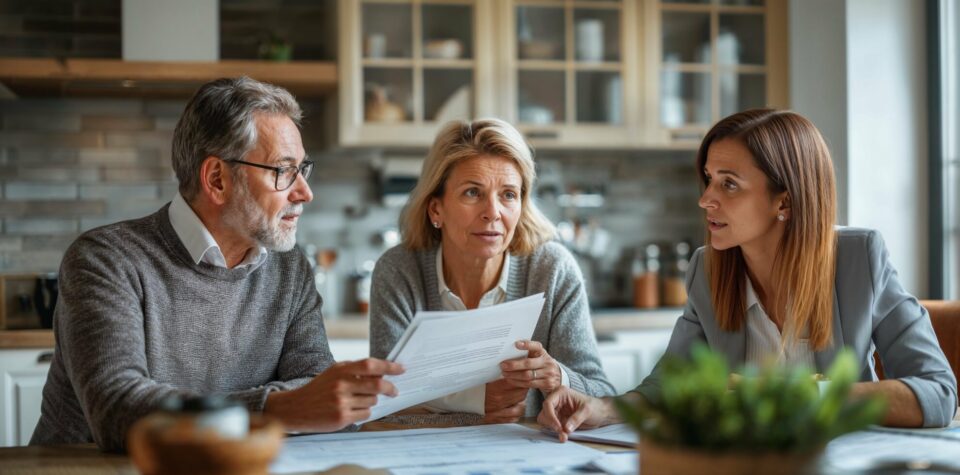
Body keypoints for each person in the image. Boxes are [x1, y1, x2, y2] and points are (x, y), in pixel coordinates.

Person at [30, 77, 403, 451]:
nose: (305, 192)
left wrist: (310, 404)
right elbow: (118, 411)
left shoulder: (290, 270)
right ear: (217, 179)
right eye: (283, 171)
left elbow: (316, 393)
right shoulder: (106, 259)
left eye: (302, 169)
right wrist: (277, 408)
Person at [539, 109, 958, 438]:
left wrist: (811, 396)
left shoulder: (858, 259)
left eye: (729, 184)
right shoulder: (709, 268)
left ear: (785, 201)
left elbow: (939, 393)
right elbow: (669, 386)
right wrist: (603, 408)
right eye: (708, 180)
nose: (706, 200)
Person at [369, 118, 615, 423]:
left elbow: (602, 394)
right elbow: (384, 405)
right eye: (472, 192)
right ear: (436, 209)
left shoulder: (552, 269)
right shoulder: (399, 271)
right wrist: (479, 409)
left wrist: (558, 377)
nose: (493, 213)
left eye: (509, 195)